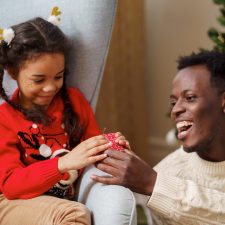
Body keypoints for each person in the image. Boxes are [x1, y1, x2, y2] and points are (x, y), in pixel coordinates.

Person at [0, 11, 128, 225]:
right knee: (74, 215)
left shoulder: (73, 101)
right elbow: (11, 185)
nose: (50, 87)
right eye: (38, 80)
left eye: (58, 76)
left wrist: (113, 147)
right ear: (13, 72)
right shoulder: (5, 119)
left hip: (57, 203)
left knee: (73, 213)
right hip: (11, 201)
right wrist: (63, 164)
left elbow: (92, 149)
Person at [92, 50, 225, 224]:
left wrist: (154, 184)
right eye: (173, 102)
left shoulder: (156, 182)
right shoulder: (169, 171)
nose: (175, 109)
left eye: (190, 98)